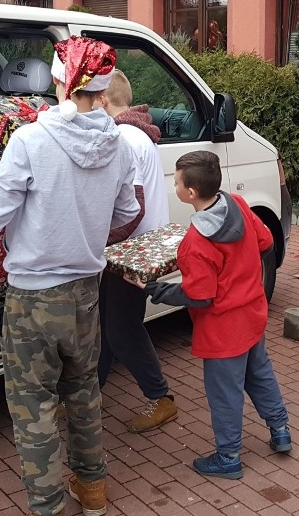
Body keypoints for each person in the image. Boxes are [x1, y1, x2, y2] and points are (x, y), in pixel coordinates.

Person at [0, 36, 140, 516]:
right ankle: (92, 491)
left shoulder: (30, 139)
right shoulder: (119, 142)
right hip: (86, 293)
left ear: (62, 81)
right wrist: (83, 228)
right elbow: (126, 211)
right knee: (84, 391)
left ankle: (48, 505)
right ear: (104, 88)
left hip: (32, 296)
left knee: (33, 405)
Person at [129, 150, 291, 480]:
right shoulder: (239, 204)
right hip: (252, 314)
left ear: (190, 193)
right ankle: (280, 430)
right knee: (260, 375)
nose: (174, 187)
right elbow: (266, 241)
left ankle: (229, 456)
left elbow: (198, 296)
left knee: (225, 394)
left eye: (175, 183)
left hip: (222, 330)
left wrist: (151, 288)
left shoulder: (195, 242)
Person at [93, 70, 178, 433]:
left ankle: (161, 398)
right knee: (108, 325)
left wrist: (99, 241)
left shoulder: (123, 137)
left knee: (121, 329)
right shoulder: (138, 131)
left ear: (102, 100)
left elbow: (133, 204)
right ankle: (88, 392)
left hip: (129, 252)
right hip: (138, 247)